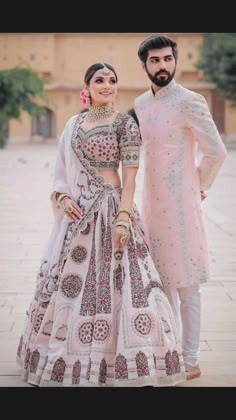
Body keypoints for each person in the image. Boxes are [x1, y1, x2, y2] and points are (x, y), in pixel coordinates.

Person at [16, 62, 186, 387]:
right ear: (88, 86)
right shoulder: (72, 125)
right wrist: (63, 199)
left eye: (111, 80)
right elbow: (60, 175)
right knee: (71, 292)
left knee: (130, 291)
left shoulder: (125, 124)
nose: (106, 85)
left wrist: (123, 217)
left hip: (112, 212)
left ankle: (130, 361)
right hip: (78, 218)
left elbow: (131, 178)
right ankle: (70, 362)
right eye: (99, 80)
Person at [133, 34, 227, 380]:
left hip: (182, 208)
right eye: (155, 60)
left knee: (187, 285)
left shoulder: (190, 101)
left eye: (167, 59)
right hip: (151, 206)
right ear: (144, 65)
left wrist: (197, 187)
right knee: (162, 283)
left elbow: (216, 151)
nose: (162, 66)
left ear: (175, 61)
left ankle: (191, 358)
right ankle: (170, 351)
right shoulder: (142, 104)